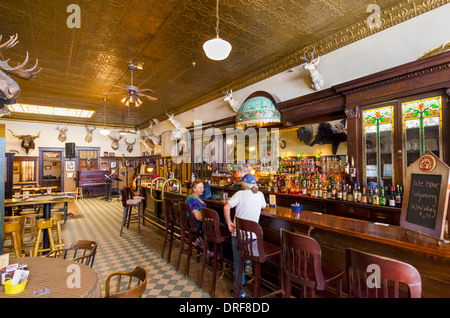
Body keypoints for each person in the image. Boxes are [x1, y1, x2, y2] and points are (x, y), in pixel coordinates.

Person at [223, 173, 267, 298]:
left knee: (238, 262)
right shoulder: (260, 195)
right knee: (246, 255)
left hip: (238, 236)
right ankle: (249, 262)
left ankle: (239, 292)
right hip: (253, 240)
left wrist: (229, 223)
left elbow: (226, 207)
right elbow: (264, 208)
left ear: (243, 184)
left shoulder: (239, 194)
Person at [185, 179, 207, 248]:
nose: (202, 189)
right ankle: (204, 243)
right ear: (194, 189)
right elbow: (198, 217)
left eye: (203, 187)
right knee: (214, 224)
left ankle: (201, 239)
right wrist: (209, 219)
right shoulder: (193, 200)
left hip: (193, 221)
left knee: (212, 224)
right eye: (200, 188)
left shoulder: (195, 197)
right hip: (194, 223)